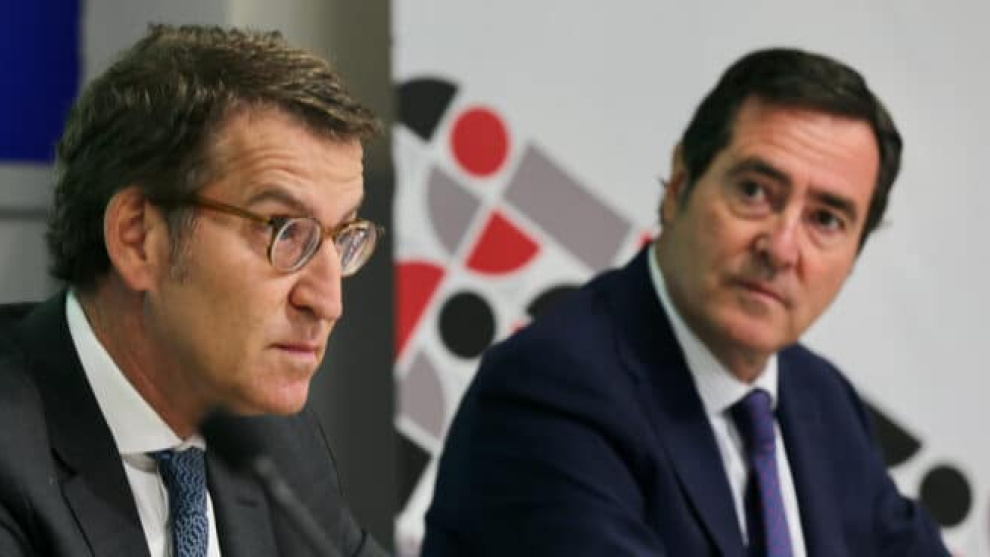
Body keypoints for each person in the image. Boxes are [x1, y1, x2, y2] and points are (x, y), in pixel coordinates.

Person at [422, 48, 949, 556]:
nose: (782, 249)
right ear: (679, 185)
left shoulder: (822, 400)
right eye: (754, 191)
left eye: (826, 220)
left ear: (855, 254)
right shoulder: (552, 389)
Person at [0, 24, 388, 557]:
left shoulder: (274, 439)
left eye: (342, 237)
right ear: (138, 238)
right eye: (283, 231)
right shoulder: (12, 449)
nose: (328, 302)